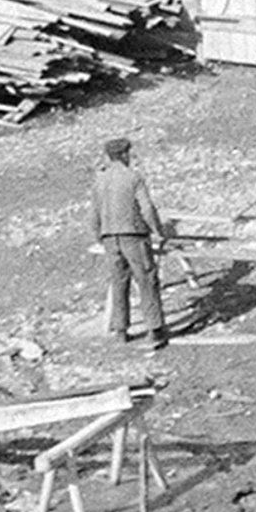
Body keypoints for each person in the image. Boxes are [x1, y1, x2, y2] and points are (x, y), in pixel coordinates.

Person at [91, 134, 171, 350]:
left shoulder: (100, 179)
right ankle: (155, 329)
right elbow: (146, 208)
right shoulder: (133, 177)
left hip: (110, 237)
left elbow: (95, 212)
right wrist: (159, 231)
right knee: (146, 280)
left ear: (108, 156)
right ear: (124, 154)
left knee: (119, 282)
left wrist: (99, 234)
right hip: (133, 235)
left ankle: (121, 330)